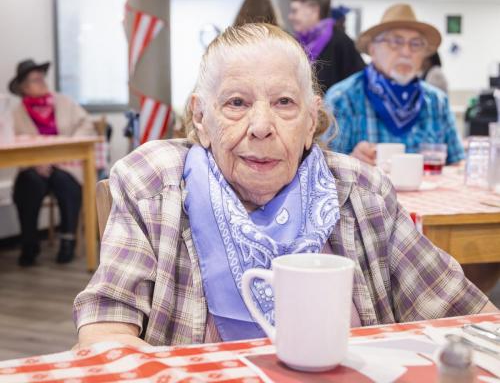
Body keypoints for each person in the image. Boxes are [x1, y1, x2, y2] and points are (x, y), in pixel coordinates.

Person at [73, 23, 495, 349]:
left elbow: (463, 313)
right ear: (201, 118)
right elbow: (107, 325)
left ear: (312, 120)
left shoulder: (360, 189)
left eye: (284, 103)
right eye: (236, 103)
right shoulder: (152, 182)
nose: (261, 127)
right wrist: (113, 344)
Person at [324, 4, 464, 166]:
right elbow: (322, 169)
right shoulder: (343, 97)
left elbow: (457, 163)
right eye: (395, 42)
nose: (406, 52)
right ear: (373, 49)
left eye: (416, 44)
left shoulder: (437, 101)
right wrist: (350, 162)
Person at [8, 59, 96, 266]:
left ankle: (68, 240)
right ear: (23, 88)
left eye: (41, 77)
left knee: (67, 183)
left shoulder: (64, 102)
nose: (41, 82)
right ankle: (29, 242)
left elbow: (86, 124)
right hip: (34, 166)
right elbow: (12, 140)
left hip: (65, 163)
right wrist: (33, 162)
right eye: (34, 79)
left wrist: (67, 147)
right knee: (28, 183)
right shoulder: (15, 114)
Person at [289, 0, 365, 92]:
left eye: (294, 11)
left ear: (314, 10)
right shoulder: (295, 43)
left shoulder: (341, 42)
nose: (291, 17)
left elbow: (357, 84)